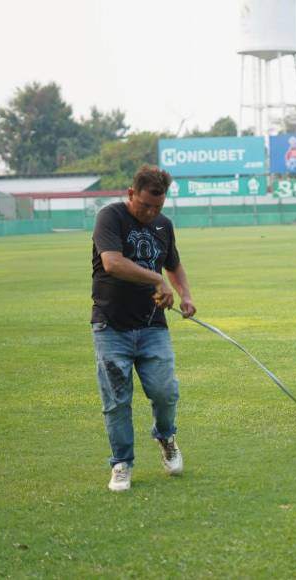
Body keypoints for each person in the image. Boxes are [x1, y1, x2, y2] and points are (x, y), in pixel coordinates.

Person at [91, 166, 196, 491]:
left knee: (166, 393)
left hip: (153, 327)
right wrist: (155, 279)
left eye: (158, 207)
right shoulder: (110, 217)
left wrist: (186, 295)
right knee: (117, 400)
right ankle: (121, 462)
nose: (151, 213)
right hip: (111, 327)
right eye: (145, 206)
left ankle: (166, 438)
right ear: (131, 194)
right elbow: (112, 262)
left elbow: (173, 263)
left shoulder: (164, 225)